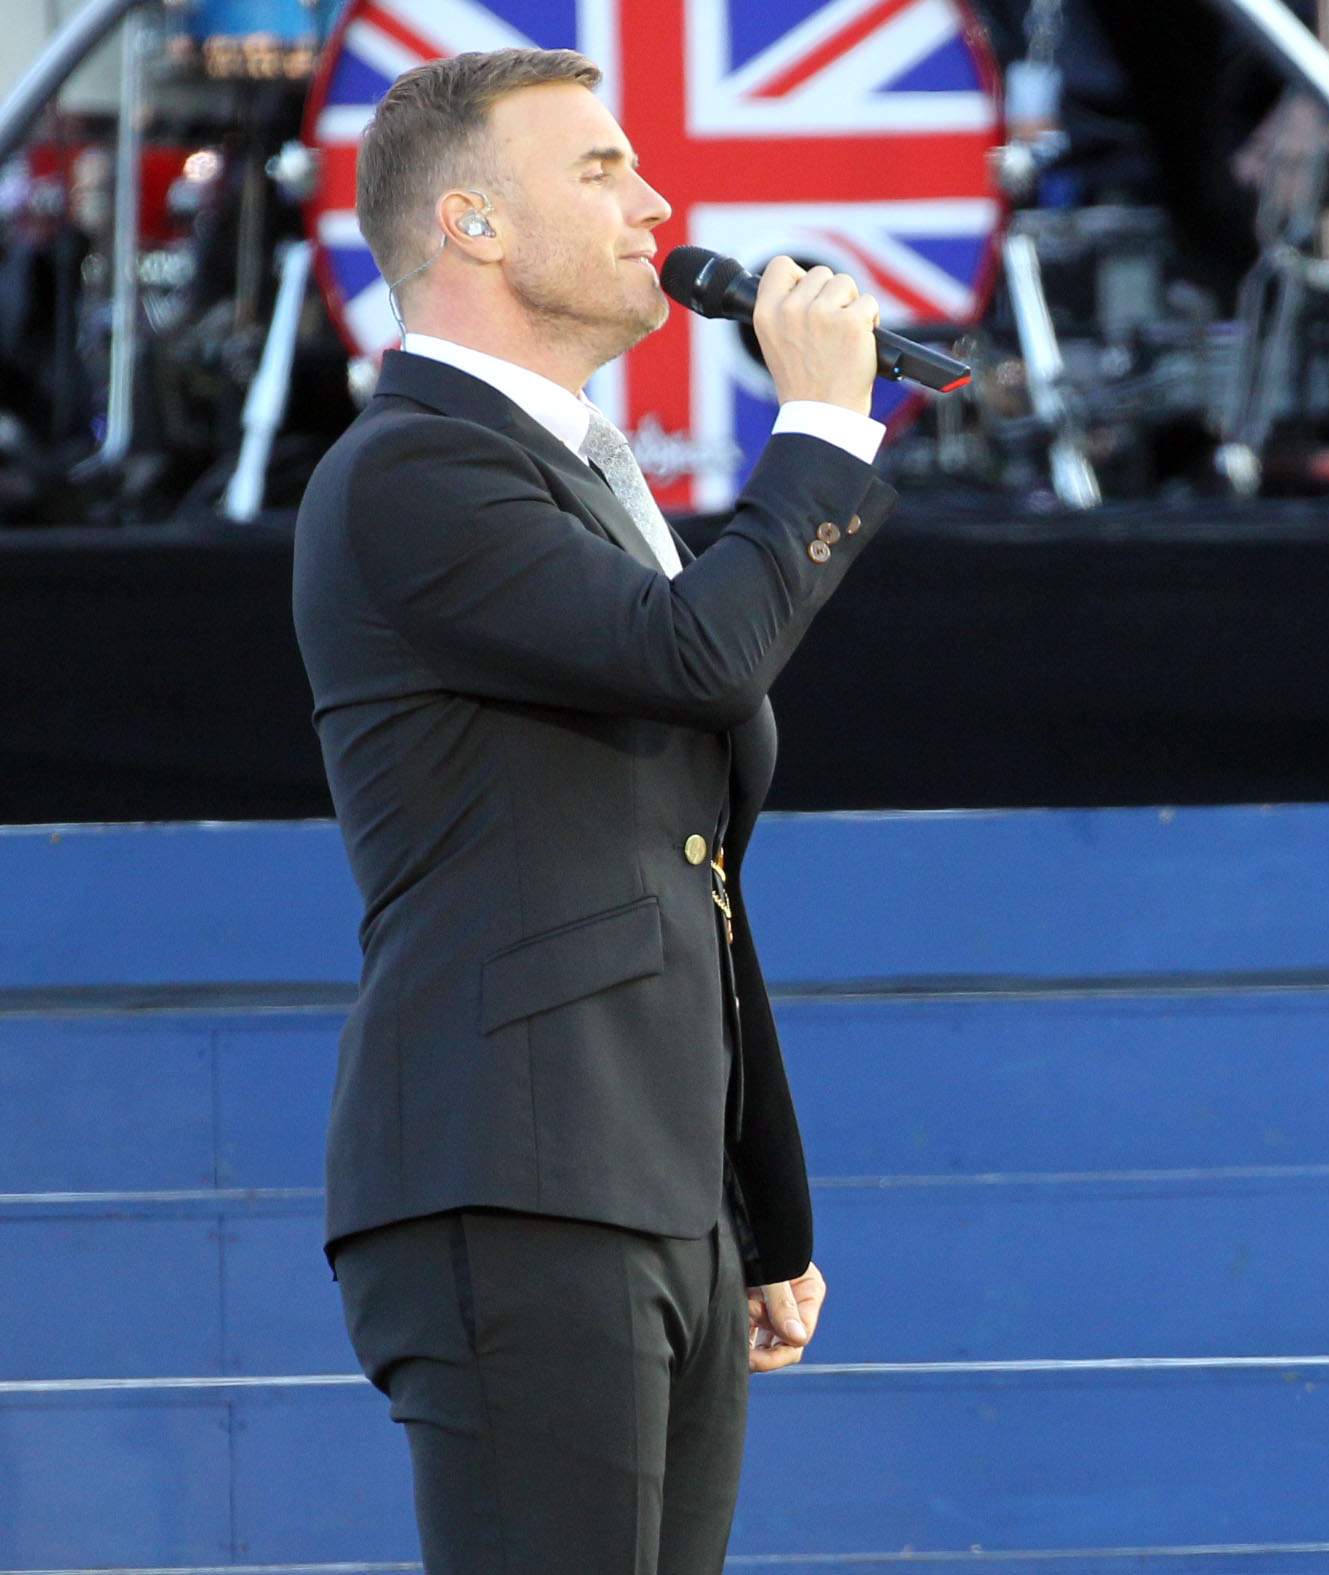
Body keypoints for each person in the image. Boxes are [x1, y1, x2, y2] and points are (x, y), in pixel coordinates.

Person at [291, 47, 893, 1573]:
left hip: (644, 1189)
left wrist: (756, 1210)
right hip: (514, 1172)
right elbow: (695, 656)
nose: (656, 203)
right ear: (473, 225)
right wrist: (818, 431)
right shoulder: (414, 470)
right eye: (601, 170)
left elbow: (683, 870)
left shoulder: (566, 478)